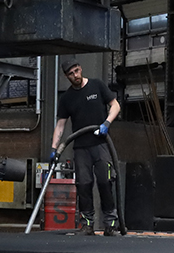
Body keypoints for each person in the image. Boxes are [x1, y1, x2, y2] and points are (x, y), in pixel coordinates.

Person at [50, 59, 121, 235]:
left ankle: (110, 223)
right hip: (81, 147)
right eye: (71, 74)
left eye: (77, 71)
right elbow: (60, 125)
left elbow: (115, 105)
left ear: (81, 68)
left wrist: (106, 123)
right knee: (83, 184)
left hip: (101, 144)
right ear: (67, 77)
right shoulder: (66, 98)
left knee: (105, 182)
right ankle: (87, 223)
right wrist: (54, 148)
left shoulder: (97, 85)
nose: (76, 75)